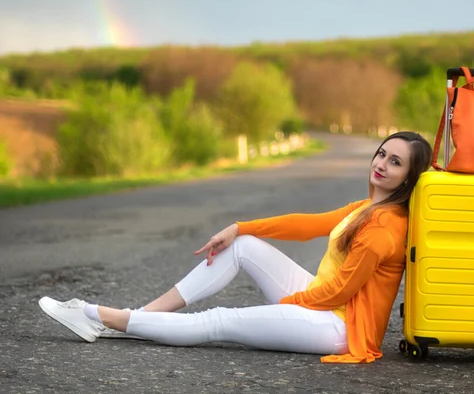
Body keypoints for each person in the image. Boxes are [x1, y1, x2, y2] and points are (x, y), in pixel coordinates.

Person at [38, 131, 433, 364]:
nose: (381, 163)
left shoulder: (385, 228)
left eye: (395, 162)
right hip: (324, 305)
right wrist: (240, 226)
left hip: (341, 328)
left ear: (407, 177)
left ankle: (97, 315)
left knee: (222, 320)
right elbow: (306, 224)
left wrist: (287, 306)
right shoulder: (368, 208)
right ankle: (142, 318)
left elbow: (341, 291)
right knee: (242, 246)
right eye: (381, 153)